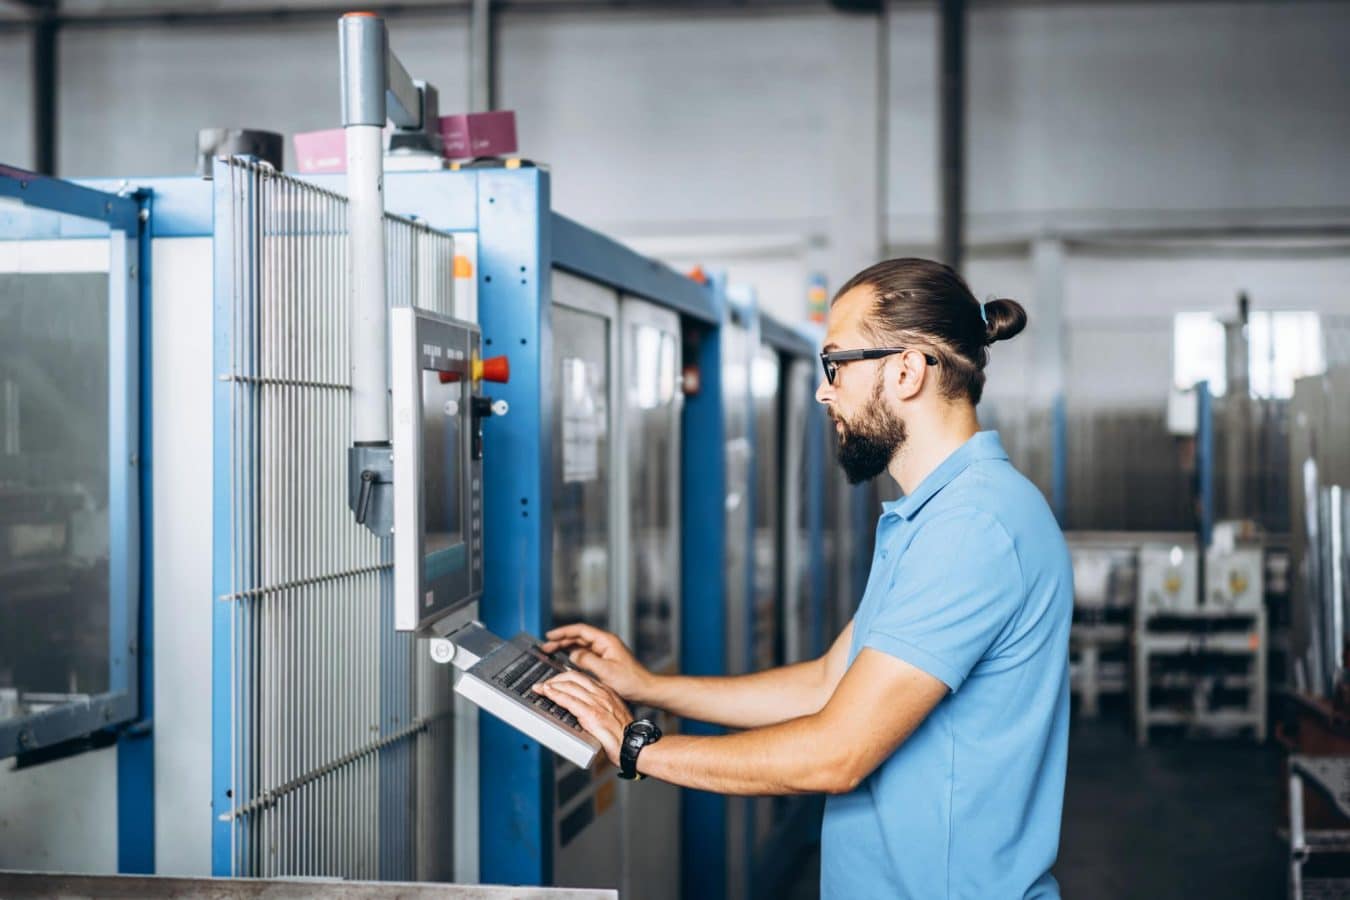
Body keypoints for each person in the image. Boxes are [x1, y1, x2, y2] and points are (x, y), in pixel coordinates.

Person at [535, 257, 1073, 899]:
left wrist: (638, 748)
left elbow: (836, 752)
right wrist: (651, 687)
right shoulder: (935, 516)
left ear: (904, 370)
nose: (824, 390)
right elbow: (828, 684)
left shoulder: (974, 527)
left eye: (836, 364)